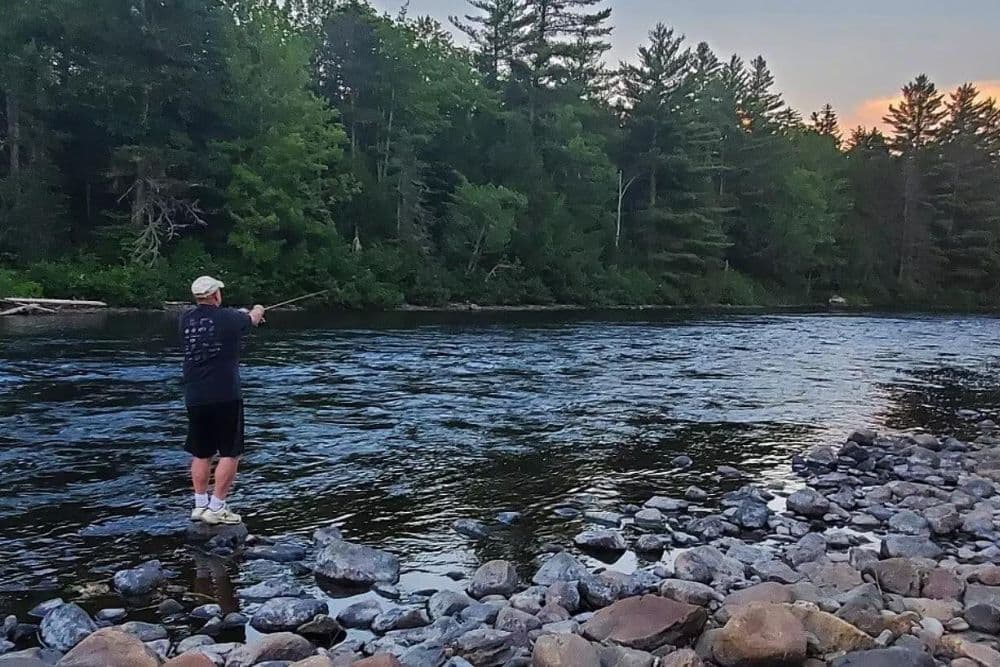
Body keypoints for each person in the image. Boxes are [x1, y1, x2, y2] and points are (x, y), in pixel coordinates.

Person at [181, 276, 265, 525]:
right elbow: (252, 319)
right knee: (231, 452)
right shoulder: (229, 318)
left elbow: (216, 322)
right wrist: (258, 309)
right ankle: (217, 507)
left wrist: (239, 315)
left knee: (201, 451)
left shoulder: (185, 319)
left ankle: (200, 505)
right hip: (225, 394)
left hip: (194, 395)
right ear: (216, 295)